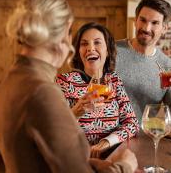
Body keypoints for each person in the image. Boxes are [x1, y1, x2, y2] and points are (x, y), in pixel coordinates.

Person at [0, 0, 138, 173]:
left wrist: (101, 162)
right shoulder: (43, 92)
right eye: (74, 36)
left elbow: (51, 160)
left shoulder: (12, 81)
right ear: (64, 33)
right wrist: (124, 166)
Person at [56, 22, 139, 158]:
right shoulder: (64, 82)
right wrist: (75, 113)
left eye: (97, 42)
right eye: (84, 44)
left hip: (111, 157)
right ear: (78, 52)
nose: (90, 48)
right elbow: (54, 130)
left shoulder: (113, 80)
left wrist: (107, 142)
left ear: (107, 51)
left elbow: (132, 123)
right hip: (77, 159)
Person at [116, 0, 171, 125]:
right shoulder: (111, 50)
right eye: (142, 20)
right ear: (135, 21)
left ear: (164, 28)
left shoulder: (167, 66)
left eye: (155, 23)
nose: (146, 28)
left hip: (139, 140)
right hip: (103, 137)